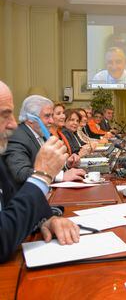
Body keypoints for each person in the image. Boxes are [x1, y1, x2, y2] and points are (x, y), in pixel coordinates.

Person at [0, 81, 80, 262]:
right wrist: (42, 176)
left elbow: (11, 202)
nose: (13, 124)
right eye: (5, 115)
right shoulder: (17, 138)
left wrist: (45, 219)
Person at [2, 95, 85, 187]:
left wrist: (67, 164)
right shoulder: (17, 137)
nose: (51, 121)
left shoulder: (41, 134)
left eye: (51, 116)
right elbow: (20, 173)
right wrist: (60, 176)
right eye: (47, 116)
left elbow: (47, 165)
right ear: (30, 118)